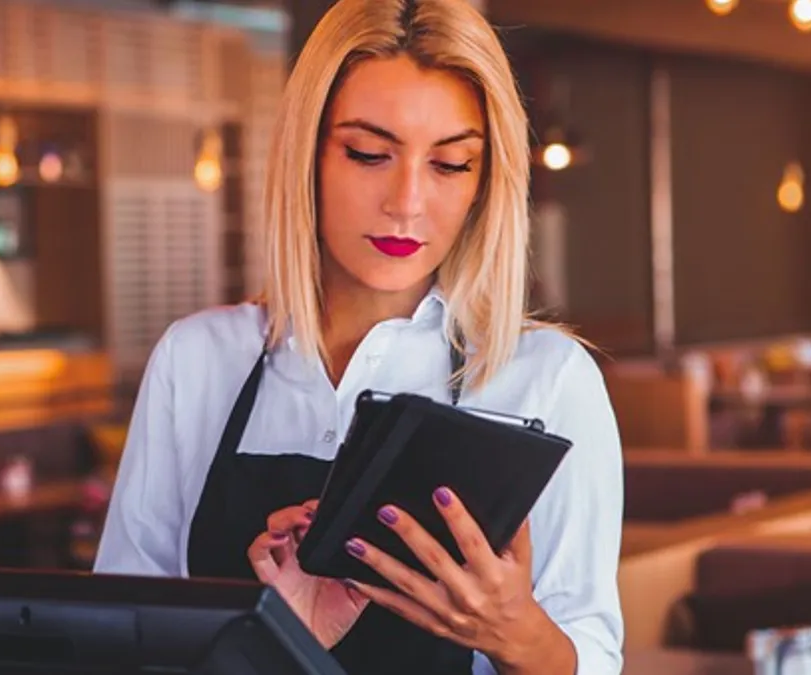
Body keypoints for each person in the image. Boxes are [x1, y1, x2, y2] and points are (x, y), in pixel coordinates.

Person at [93, 0, 625, 673]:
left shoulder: (547, 376)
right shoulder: (198, 361)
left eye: (450, 164)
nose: (406, 201)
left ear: (485, 182)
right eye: (369, 153)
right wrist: (276, 640)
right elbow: (123, 643)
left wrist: (517, 633)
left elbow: (596, 654)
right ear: (306, 153)